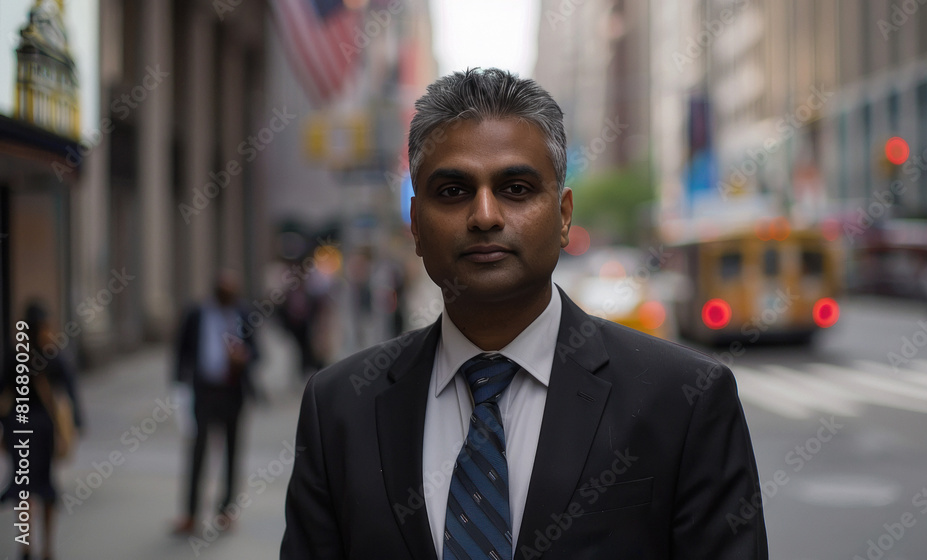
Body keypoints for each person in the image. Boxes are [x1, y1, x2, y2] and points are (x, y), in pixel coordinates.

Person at [280, 68, 768, 559]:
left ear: (562, 216)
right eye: (453, 191)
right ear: (416, 225)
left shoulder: (686, 401)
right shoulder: (339, 409)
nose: (485, 215)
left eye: (515, 188)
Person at [171, 270, 259, 535]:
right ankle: (190, 514)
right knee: (198, 451)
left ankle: (226, 511)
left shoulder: (243, 314)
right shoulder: (197, 313)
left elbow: (257, 351)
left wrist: (245, 357)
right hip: (205, 391)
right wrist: (179, 386)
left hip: (233, 391)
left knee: (233, 451)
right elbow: (180, 350)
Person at [0, 302, 85, 560]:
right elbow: (69, 390)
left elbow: (4, 394)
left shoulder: (31, 356)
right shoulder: (38, 356)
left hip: (29, 428)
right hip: (30, 428)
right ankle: (36, 546)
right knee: (34, 488)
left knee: (33, 488)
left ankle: (35, 546)